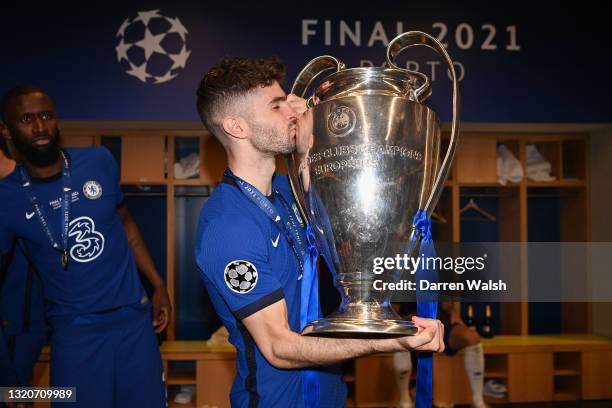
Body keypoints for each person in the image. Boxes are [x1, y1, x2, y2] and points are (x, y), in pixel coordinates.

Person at [194, 56, 444, 407]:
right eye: (276, 106)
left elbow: (340, 204)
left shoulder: (286, 193)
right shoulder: (227, 226)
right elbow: (280, 348)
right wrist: (393, 340)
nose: (291, 112)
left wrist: (313, 129)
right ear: (237, 126)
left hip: (331, 396)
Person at [0, 85, 171, 407]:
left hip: (134, 320)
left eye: (46, 116)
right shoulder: (6, 198)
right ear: (7, 131)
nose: (39, 127)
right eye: (26, 119)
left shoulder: (99, 161)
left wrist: (158, 283)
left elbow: (127, 224)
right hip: (75, 333)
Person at [393, 302, 491, 408]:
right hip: (407, 325)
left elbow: (445, 303)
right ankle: (404, 401)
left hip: (439, 324)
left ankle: (478, 401)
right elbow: (391, 309)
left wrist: (453, 312)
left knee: (472, 337)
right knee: (400, 340)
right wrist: (409, 319)